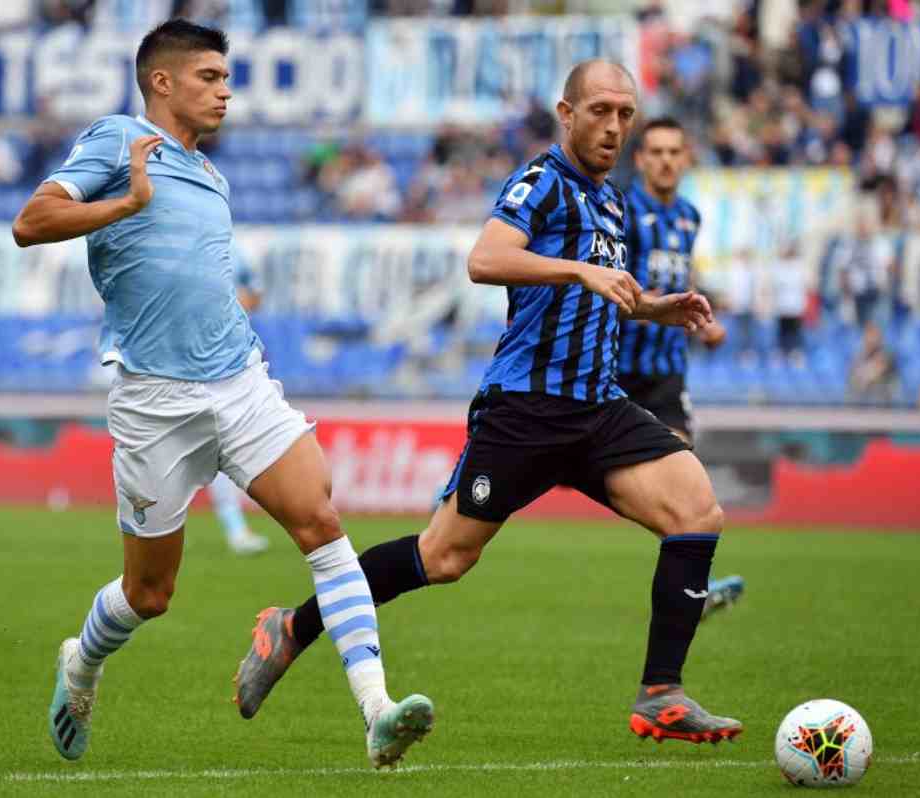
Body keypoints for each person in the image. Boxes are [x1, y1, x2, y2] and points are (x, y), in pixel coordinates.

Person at [234, 60, 743, 746]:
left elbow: (602, 296)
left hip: (598, 407)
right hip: (525, 409)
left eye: (625, 113)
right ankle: (291, 627)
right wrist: (578, 268)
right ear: (567, 114)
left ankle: (661, 692)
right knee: (443, 558)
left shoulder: (613, 201)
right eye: (600, 111)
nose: (614, 126)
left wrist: (655, 307)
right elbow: (484, 258)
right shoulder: (542, 182)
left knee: (697, 511)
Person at [11, 20, 431, 767]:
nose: (226, 90)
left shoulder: (211, 176)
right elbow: (30, 221)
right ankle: (81, 662)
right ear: (162, 82)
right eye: (210, 76)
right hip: (154, 401)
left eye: (227, 77)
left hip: (238, 383)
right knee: (150, 594)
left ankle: (377, 709)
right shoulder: (117, 140)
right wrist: (124, 204)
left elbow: (198, 279)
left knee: (321, 522)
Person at [617, 115, 742, 617]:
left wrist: (703, 322)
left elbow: (680, 277)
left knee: (687, 477)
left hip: (668, 371)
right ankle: (473, 483)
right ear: (642, 159)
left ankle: (696, 582)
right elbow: (617, 281)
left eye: (675, 152)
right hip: (617, 367)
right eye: (657, 152)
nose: (666, 160)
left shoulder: (690, 216)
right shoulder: (624, 212)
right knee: (556, 462)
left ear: (686, 159)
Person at [207, 259, 270, 555]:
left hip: (233, 369)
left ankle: (236, 528)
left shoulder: (238, 253)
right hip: (205, 375)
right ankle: (235, 528)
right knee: (217, 454)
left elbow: (255, 295)